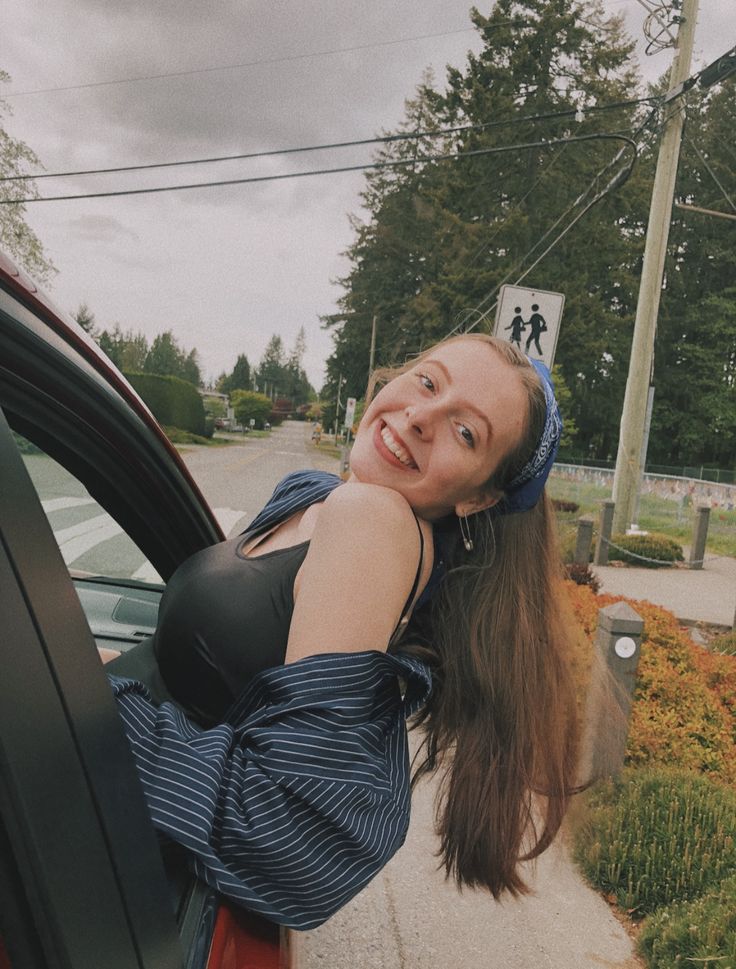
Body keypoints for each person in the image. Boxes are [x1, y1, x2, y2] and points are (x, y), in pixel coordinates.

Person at [107, 333, 578, 930]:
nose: (420, 417)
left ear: (481, 496)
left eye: (466, 433)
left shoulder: (373, 521)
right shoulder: (315, 495)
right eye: (428, 382)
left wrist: (75, 705)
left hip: (98, 832)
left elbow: (291, 834)